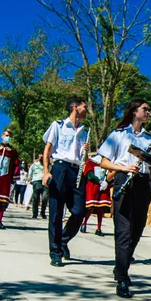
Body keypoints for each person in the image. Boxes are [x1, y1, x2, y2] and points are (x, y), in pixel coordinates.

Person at [99, 99, 151, 299]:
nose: (149, 112)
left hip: (142, 184)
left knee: (137, 230)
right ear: (134, 112)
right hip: (124, 179)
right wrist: (123, 168)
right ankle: (122, 278)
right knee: (123, 231)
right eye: (145, 109)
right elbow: (104, 162)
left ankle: (120, 266)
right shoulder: (118, 135)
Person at [42, 96, 90, 267]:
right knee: (56, 213)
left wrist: (86, 151)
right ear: (75, 107)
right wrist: (46, 171)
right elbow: (47, 150)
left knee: (79, 211)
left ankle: (62, 240)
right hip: (60, 169)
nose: (87, 109)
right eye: (85, 106)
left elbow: (83, 158)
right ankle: (55, 252)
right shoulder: (58, 125)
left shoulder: (85, 131)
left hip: (76, 171)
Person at [80, 154, 113, 236]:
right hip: (93, 187)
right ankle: (84, 223)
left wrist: (107, 182)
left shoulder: (108, 162)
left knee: (101, 208)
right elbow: (89, 174)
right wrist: (99, 181)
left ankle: (98, 228)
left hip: (104, 187)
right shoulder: (92, 162)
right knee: (91, 207)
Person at [28, 153, 48, 219]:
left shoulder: (47, 164)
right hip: (36, 181)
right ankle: (35, 213)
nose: (41, 158)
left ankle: (43, 212)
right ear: (38, 158)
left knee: (45, 198)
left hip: (45, 182)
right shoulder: (34, 165)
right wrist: (29, 178)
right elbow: (30, 171)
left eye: (42, 157)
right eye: (40, 157)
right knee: (35, 198)